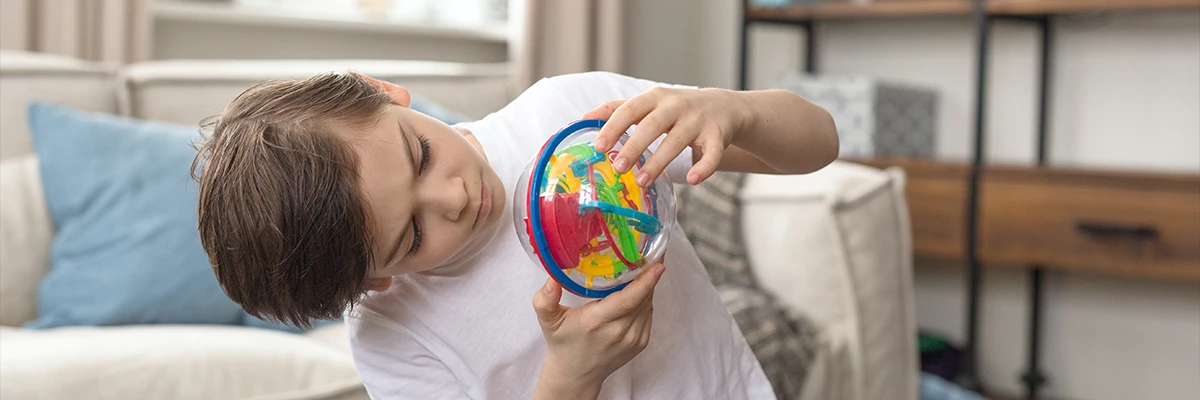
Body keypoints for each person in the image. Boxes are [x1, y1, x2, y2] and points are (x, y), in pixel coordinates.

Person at [191, 70, 837, 399]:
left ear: (383, 92)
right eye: (412, 234)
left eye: (420, 155)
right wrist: (571, 377)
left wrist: (732, 110)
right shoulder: (393, 337)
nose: (453, 197)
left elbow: (821, 142)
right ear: (377, 280)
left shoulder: (571, 116)